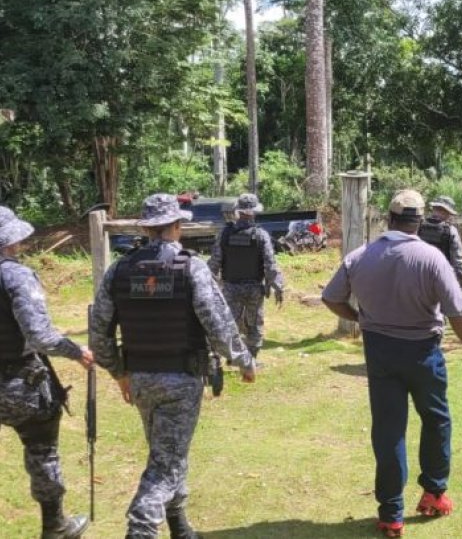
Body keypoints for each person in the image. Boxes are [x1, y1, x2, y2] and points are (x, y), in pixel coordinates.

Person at [89, 193, 256, 539]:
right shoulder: (191, 267)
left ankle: (179, 525)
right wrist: (243, 359)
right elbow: (219, 323)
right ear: (177, 226)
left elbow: (99, 332)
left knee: (166, 452)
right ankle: (141, 528)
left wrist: (118, 372)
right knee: (166, 463)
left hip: (140, 380)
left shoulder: (119, 270)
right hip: (181, 380)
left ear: (148, 228)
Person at [321, 189, 462, 538]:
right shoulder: (431, 258)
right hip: (424, 351)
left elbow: (330, 298)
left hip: (379, 352)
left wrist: (358, 319)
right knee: (436, 420)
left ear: (389, 218)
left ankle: (391, 514)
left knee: (389, 430)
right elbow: (457, 310)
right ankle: (434, 493)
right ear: (419, 221)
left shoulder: (361, 255)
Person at [0, 206, 93, 539]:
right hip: (18, 383)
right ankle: (54, 526)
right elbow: (40, 335)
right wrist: (77, 350)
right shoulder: (15, 276)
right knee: (42, 453)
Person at [207, 193, 284, 361]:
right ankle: (251, 359)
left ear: (238, 211)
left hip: (230, 287)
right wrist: (278, 286)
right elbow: (270, 265)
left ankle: (231, 356)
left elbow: (214, 263)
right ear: (254, 212)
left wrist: (207, 285)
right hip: (254, 288)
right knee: (254, 324)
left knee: (229, 323)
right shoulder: (261, 235)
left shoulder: (225, 234)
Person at [417, 195, 462, 302]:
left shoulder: (418, 227)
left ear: (434, 209)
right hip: (441, 280)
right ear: (446, 211)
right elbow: (457, 262)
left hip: (418, 280)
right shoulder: (451, 231)